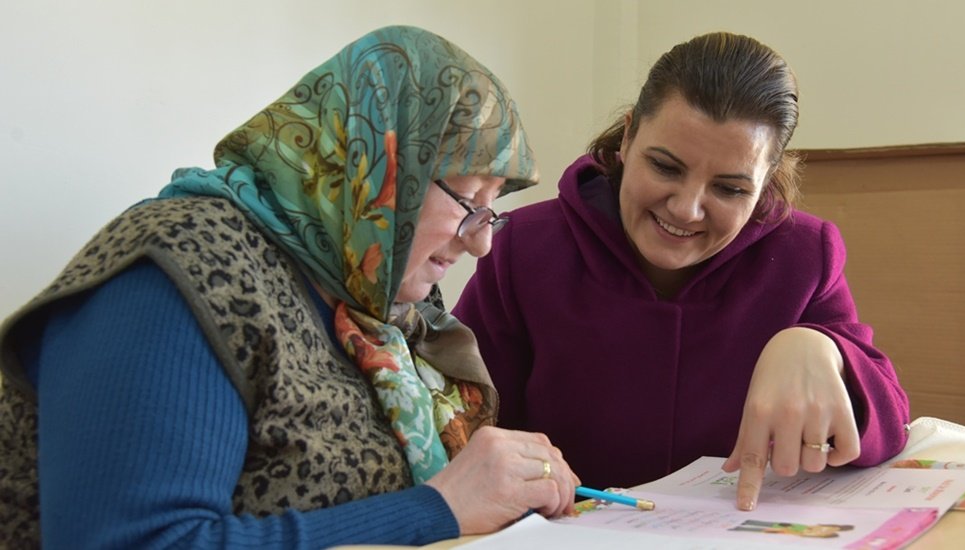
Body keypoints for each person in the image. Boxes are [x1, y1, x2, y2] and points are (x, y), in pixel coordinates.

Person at [0, 26, 578, 548]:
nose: (481, 244)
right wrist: (440, 508)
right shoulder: (177, 271)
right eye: (466, 201)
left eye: (491, 209)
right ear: (375, 166)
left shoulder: (376, 294)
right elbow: (138, 542)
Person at [453, 31, 910, 512]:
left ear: (765, 183)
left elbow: (890, 423)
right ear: (628, 137)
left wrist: (825, 349)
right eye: (666, 167)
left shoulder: (803, 255)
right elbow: (454, 423)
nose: (688, 209)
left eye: (730, 189)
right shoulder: (523, 246)